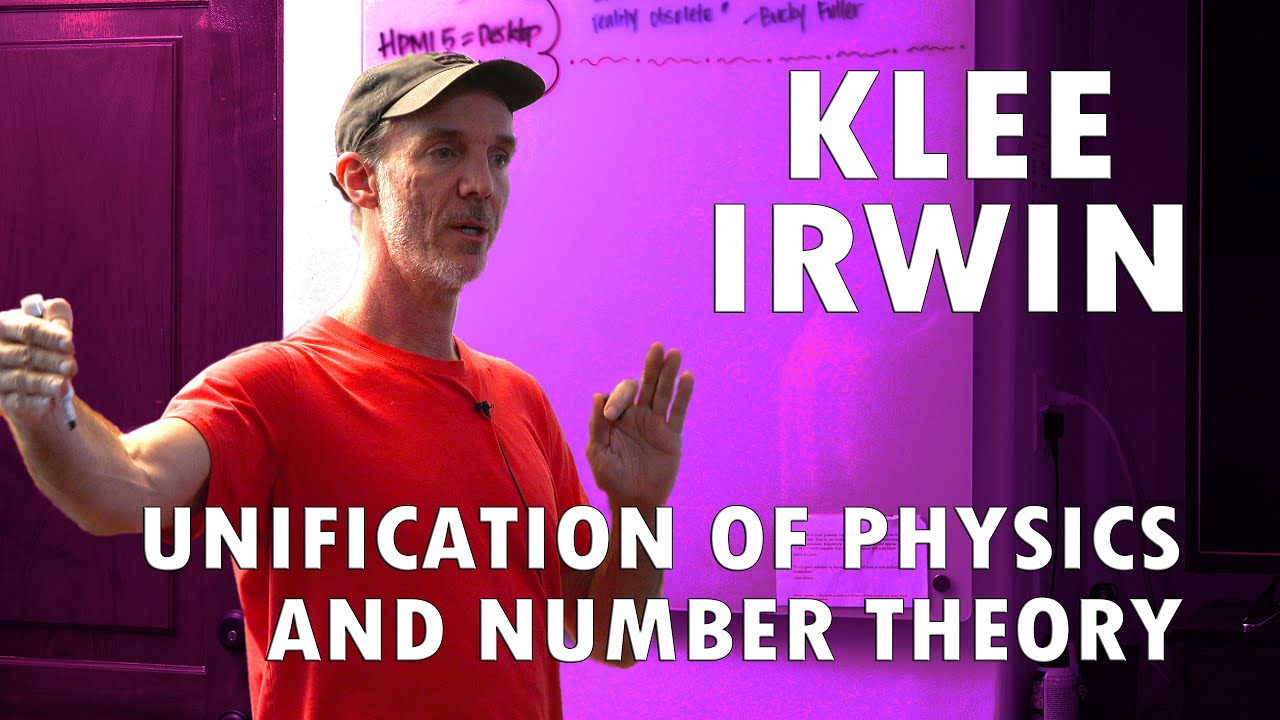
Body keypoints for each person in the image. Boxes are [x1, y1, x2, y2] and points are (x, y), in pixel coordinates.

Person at [0, 52, 694, 720]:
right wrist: (46, 410)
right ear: (362, 181)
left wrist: (639, 507)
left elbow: (614, 638)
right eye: (445, 151)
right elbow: (122, 487)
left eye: (499, 157)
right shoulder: (274, 387)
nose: (481, 184)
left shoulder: (521, 399)